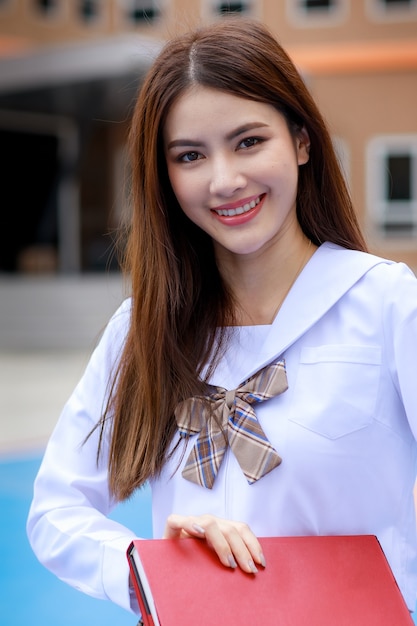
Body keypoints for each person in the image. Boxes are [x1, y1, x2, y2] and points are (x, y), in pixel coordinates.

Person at [27, 16, 417, 618]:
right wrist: (148, 569)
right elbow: (55, 510)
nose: (224, 181)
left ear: (302, 141)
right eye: (190, 155)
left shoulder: (386, 303)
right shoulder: (143, 331)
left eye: (249, 141)